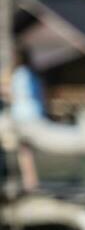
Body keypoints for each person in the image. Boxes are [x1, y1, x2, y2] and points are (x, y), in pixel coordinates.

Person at [8, 45, 45, 189]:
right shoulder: (31, 73)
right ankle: (30, 180)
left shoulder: (21, 74)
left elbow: (23, 94)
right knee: (26, 150)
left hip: (24, 116)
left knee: (24, 150)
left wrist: (8, 93)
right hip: (32, 114)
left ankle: (30, 182)